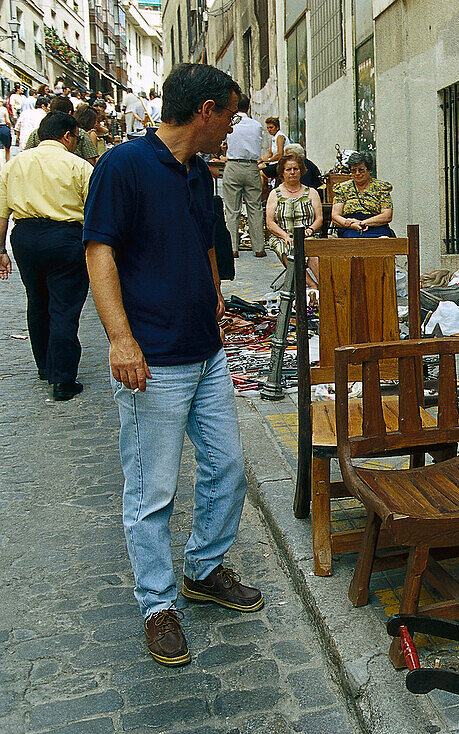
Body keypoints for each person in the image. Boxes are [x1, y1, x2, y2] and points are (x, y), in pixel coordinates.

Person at [84, 63, 263, 668]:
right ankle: (157, 605)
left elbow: (206, 242)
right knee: (151, 489)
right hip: (153, 359)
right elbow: (100, 252)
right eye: (231, 118)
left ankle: (203, 568)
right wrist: (120, 341)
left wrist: (214, 298)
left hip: (205, 351)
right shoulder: (123, 167)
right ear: (206, 111)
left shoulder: (197, 174)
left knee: (228, 467)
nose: (233, 130)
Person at [0, 112, 93, 400]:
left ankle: (45, 365)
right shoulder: (78, 166)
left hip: (25, 238)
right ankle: (63, 379)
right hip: (65, 238)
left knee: (38, 301)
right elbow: (93, 211)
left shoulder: (13, 165)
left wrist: (1, 250)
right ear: (67, 135)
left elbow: (2, 213)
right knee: (64, 306)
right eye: (76, 137)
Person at [220, 95, 267, 257]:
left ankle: (233, 247)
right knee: (255, 207)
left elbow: (224, 144)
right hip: (252, 166)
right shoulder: (256, 125)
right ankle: (259, 247)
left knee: (232, 209)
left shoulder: (230, 123)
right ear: (248, 107)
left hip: (233, 165)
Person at [264, 151, 322, 278]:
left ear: (301, 171)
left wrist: (310, 230)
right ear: (282, 172)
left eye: (296, 169)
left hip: (307, 235)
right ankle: (311, 285)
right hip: (282, 236)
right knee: (286, 249)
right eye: (288, 169)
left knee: (311, 250)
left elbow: (319, 219)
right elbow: (270, 223)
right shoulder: (275, 194)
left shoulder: (311, 192)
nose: (292, 172)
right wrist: (285, 236)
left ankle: (324, 285)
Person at [330, 150, 395, 238]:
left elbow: (387, 215)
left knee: (383, 241)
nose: (357, 173)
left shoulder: (381, 187)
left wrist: (363, 223)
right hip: (350, 228)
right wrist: (349, 224)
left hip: (376, 226)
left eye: (361, 170)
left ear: (369, 170)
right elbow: (335, 215)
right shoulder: (343, 188)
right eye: (353, 170)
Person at [25, 98, 98, 162]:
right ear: (69, 113)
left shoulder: (36, 133)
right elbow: (91, 160)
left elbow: (27, 154)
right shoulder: (79, 133)